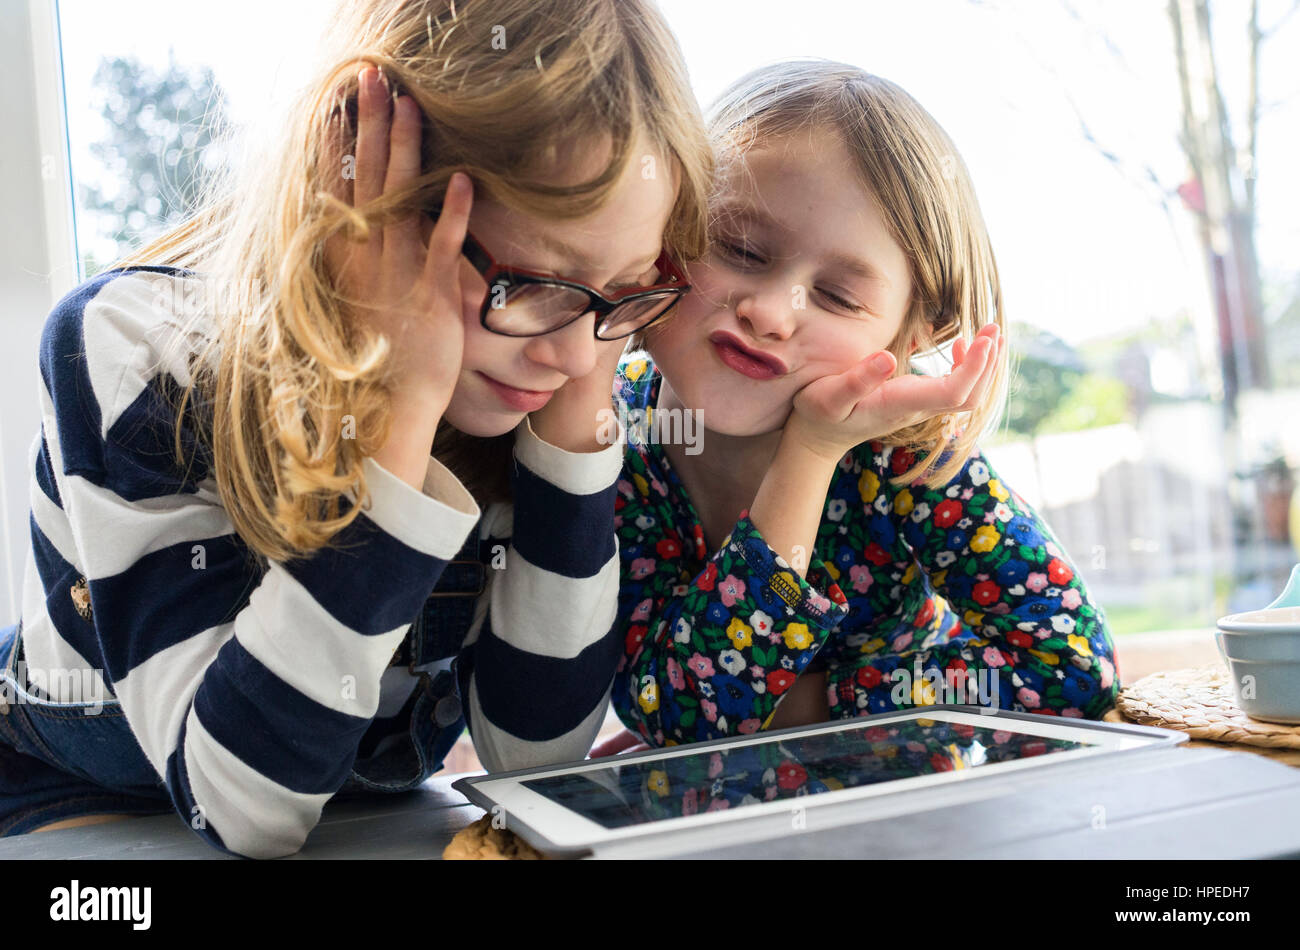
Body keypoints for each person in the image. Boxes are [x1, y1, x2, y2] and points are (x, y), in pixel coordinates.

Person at [0, 0, 712, 857]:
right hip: (76, 807)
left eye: (624, 288)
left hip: (349, 819)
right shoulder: (137, 350)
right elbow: (244, 804)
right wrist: (398, 415)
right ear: (356, 194)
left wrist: (571, 444)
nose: (568, 353)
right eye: (532, 281)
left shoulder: (550, 363)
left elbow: (538, 760)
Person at [600, 60, 1119, 756]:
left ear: (910, 338)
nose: (771, 314)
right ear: (669, 224)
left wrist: (822, 706)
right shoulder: (608, 432)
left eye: (839, 296)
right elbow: (680, 717)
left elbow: (1073, 670)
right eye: (740, 248)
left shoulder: (910, 460)